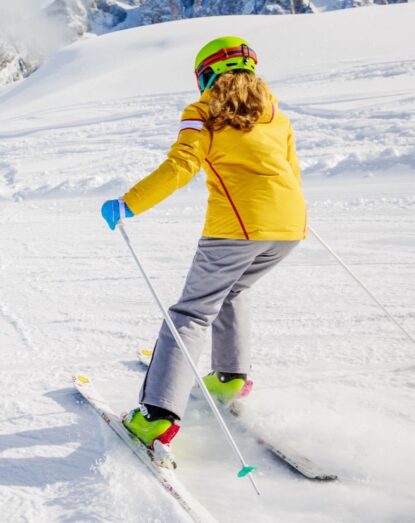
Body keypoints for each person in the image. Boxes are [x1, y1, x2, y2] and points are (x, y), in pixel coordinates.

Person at [101, 36, 307, 449]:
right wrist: (285, 216)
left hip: (236, 230)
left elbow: (180, 166)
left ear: (205, 75)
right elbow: (290, 169)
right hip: (289, 227)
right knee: (233, 290)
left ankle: (156, 416)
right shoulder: (275, 116)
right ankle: (230, 376)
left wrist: (129, 204)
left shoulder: (204, 114)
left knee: (191, 313)